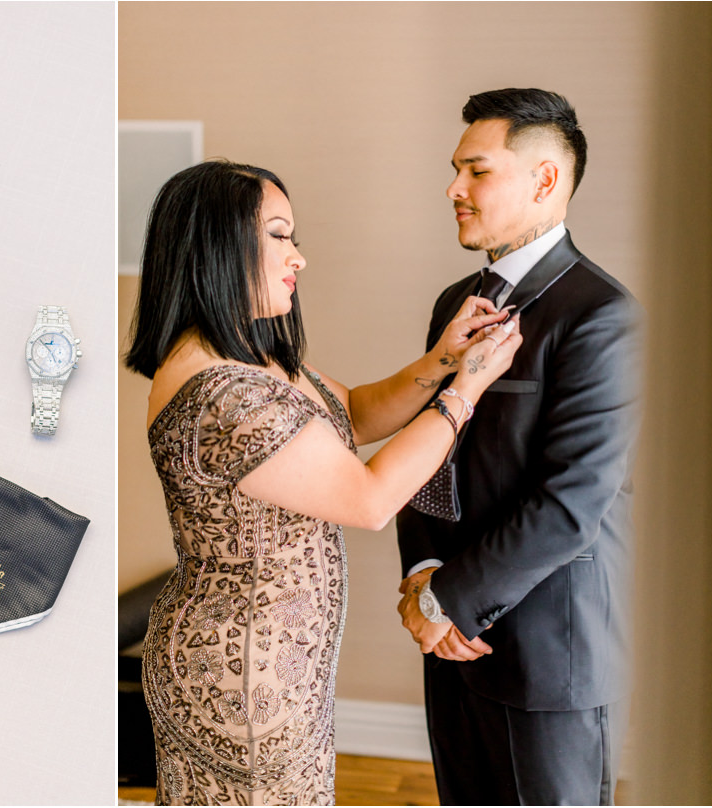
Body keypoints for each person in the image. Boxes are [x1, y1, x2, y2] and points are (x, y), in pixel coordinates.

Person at [125, 160, 521, 805]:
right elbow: (368, 500)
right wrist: (467, 389)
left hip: (271, 660)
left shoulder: (252, 359)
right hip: (241, 674)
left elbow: (356, 412)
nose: (299, 258)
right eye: (280, 236)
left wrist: (442, 361)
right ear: (221, 246)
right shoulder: (225, 391)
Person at [394, 88, 642, 805]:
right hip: (446, 635)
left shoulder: (602, 315)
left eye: (476, 171)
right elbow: (429, 445)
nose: (453, 189)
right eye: (454, 170)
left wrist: (447, 602)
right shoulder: (453, 304)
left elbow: (573, 500)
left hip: (549, 651)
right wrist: (425, 573)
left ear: (543, 180)